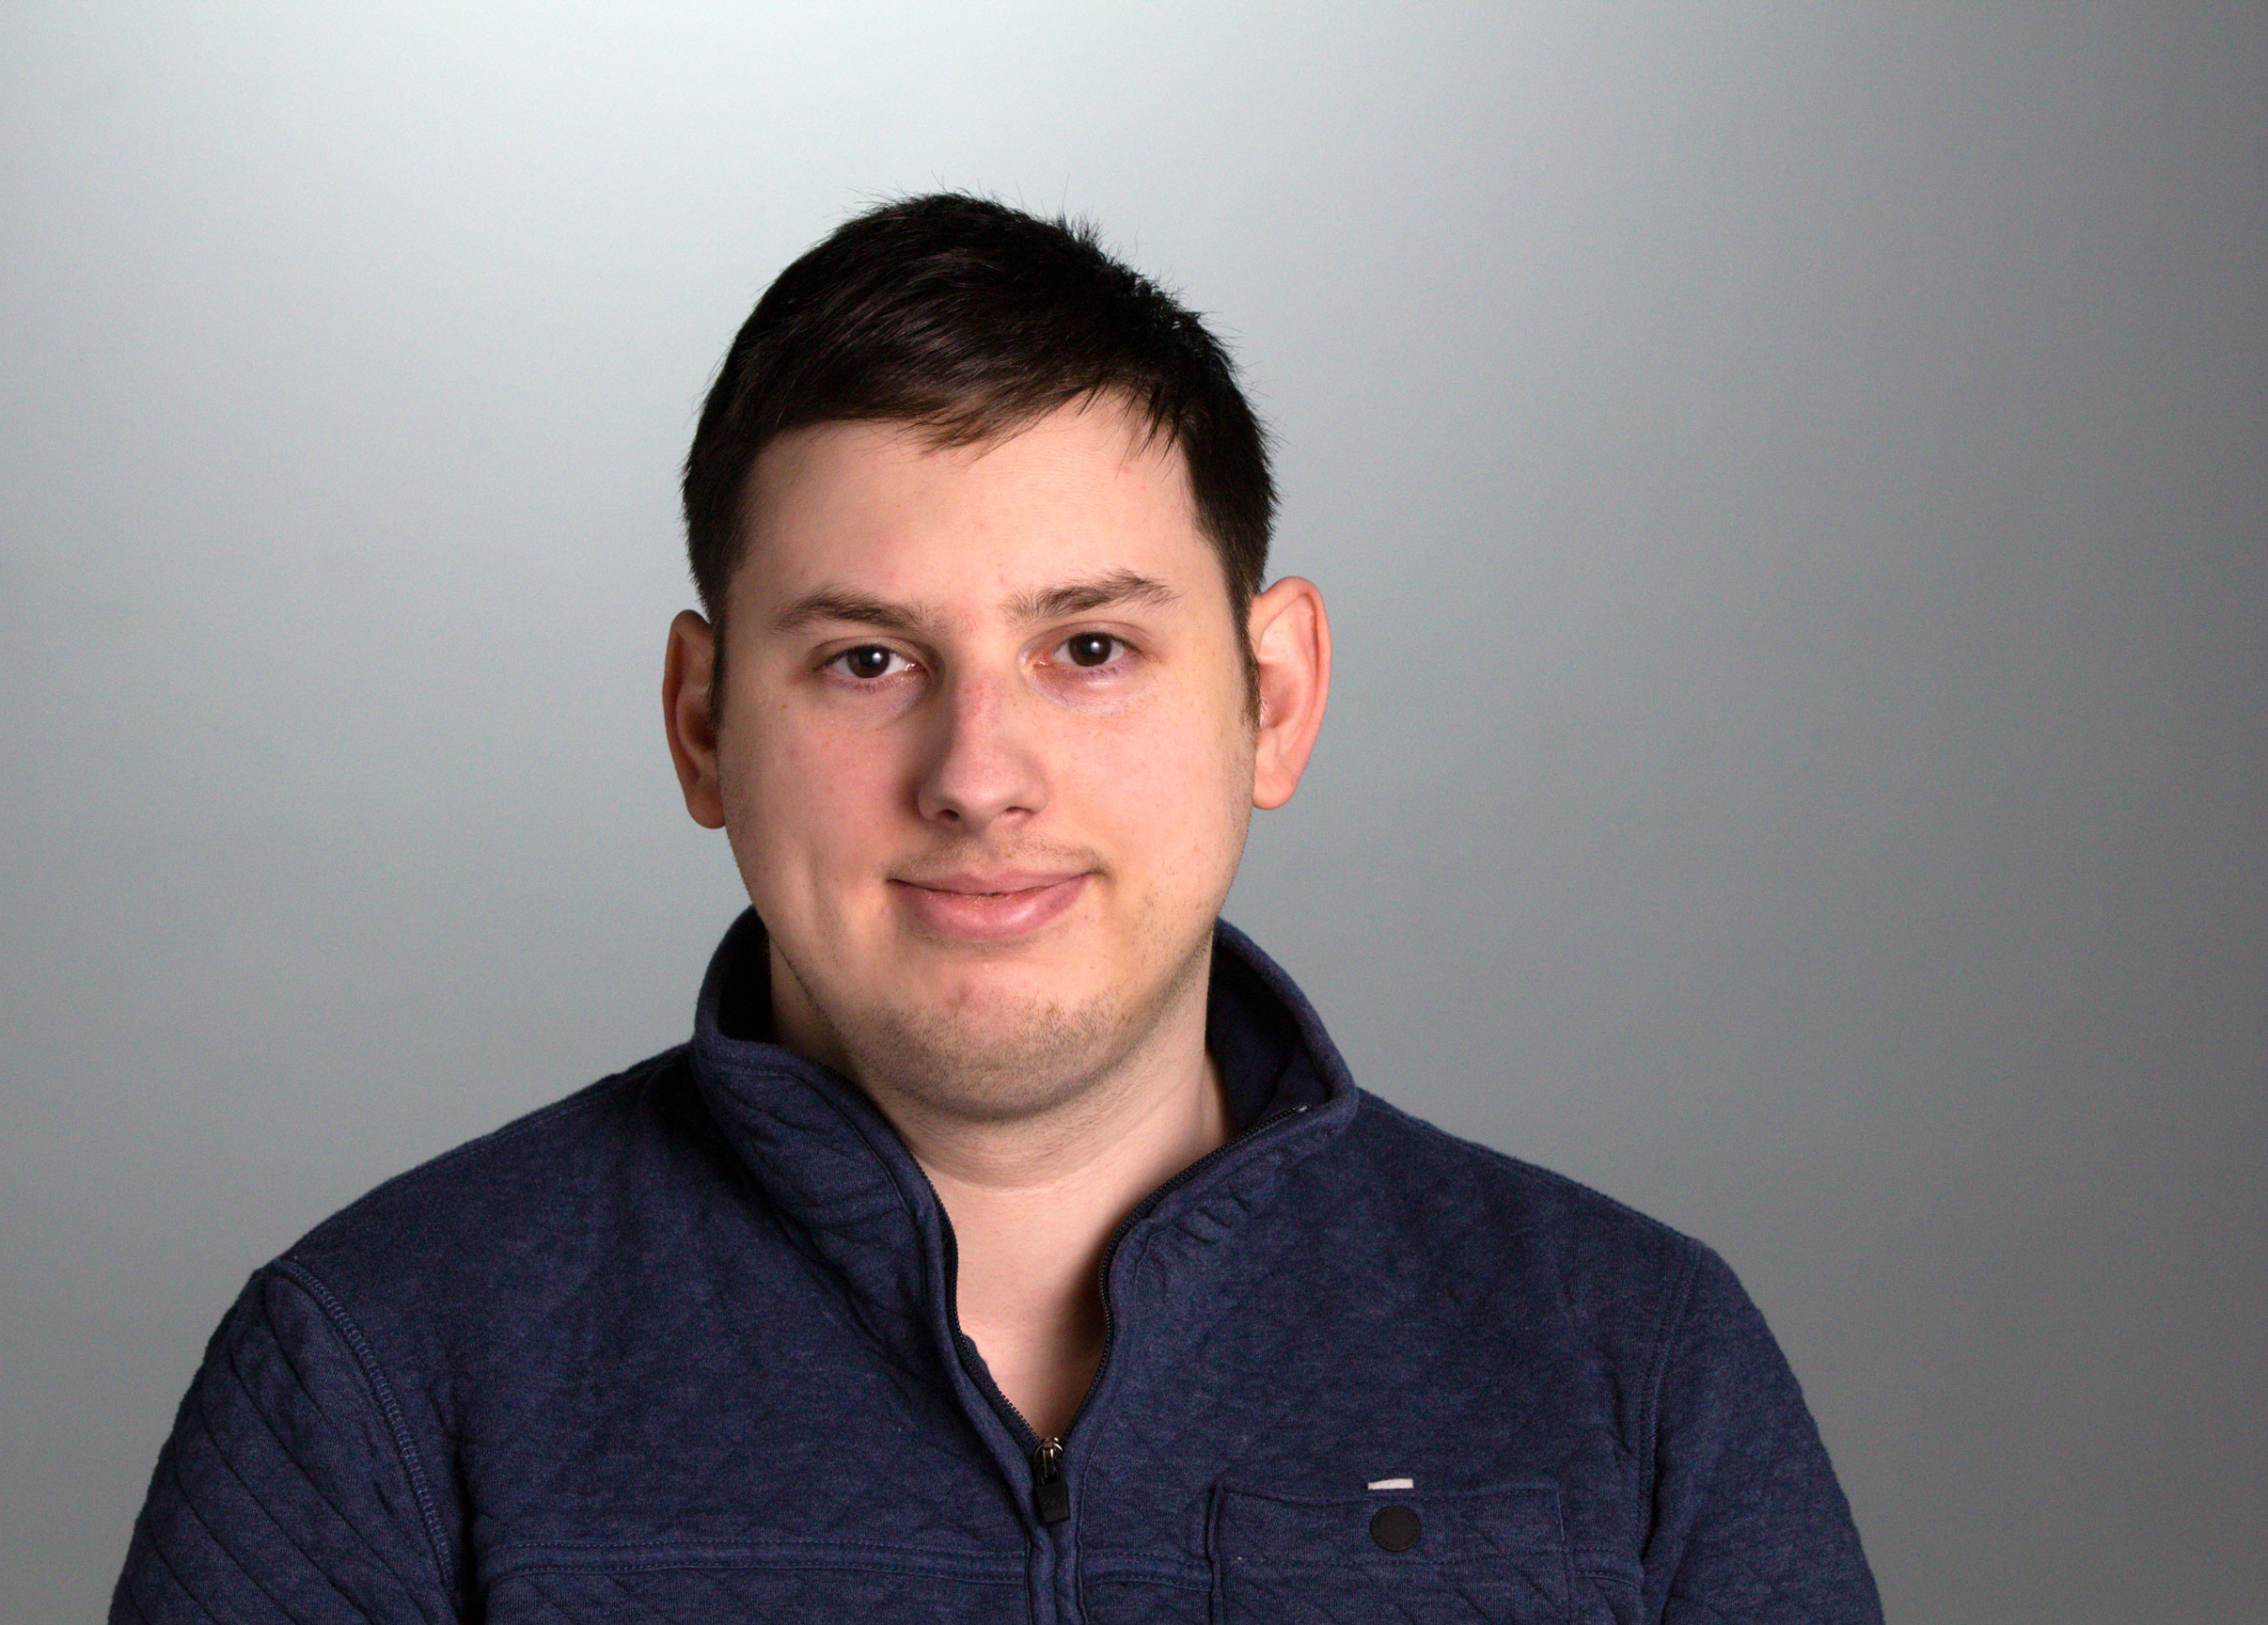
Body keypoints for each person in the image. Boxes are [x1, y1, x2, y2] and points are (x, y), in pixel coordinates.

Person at [112, 194, 1880, 1624]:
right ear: (703, 724)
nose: (979, 771)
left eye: (1088, 648)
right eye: (868, 658)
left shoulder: (1630, 1362)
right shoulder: (379, 1378)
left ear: (1274, 697)